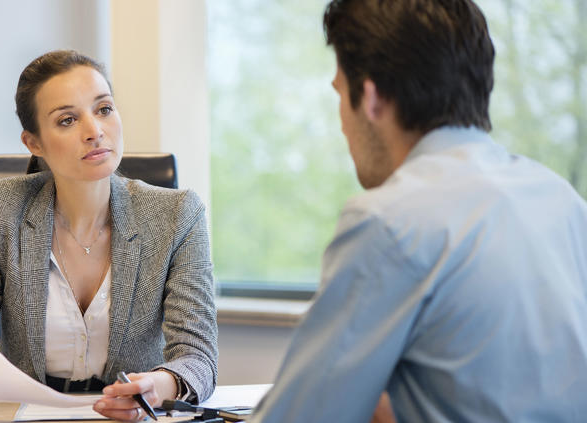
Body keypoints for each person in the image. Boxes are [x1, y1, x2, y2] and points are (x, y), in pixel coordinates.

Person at [250, 0, 587, 422]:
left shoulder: (389, 221)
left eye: (339, 93)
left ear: (370, 98)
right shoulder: (562, 201)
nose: (341, 123)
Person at [0, 50, 218, 421]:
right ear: (34, 143)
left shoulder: (178, 214)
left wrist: (158, 388)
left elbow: (198, 356)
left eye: (104, 109)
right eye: (67, 120)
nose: (94, 131)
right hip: (28, 415)